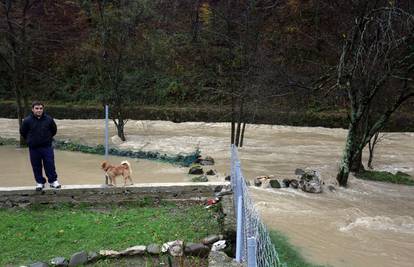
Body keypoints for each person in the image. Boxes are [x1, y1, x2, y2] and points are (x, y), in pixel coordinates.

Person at [20, 101, 61, 191]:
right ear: (32, 109)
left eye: (41, 108)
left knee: (50, 164)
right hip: (34, 147)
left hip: (47, 146)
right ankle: (40, 182)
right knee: (36, 165)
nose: (39, 110)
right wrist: (30, 140)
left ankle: (53, 181)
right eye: (37, 108)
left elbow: (54, 130)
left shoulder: (49, 119)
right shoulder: (27, 120)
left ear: (43, 109)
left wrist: (47, 138)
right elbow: (23, 132)